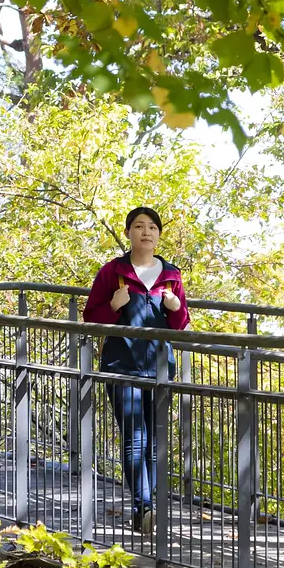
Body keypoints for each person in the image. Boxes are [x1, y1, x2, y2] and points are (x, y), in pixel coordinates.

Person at [81, 207, 189, 535]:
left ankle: (149, 508)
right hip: (121, 364)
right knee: (134, 438)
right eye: (139, 226)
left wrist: (176, 307)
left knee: (155, 441)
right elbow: (91, 317)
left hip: (159, 368)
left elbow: (181, 326)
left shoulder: (171, 275)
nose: (146, 232)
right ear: (128, 232)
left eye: (152, 227)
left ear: (158, 235)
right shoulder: (112, 272)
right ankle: (144, 508)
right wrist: (114, 304)